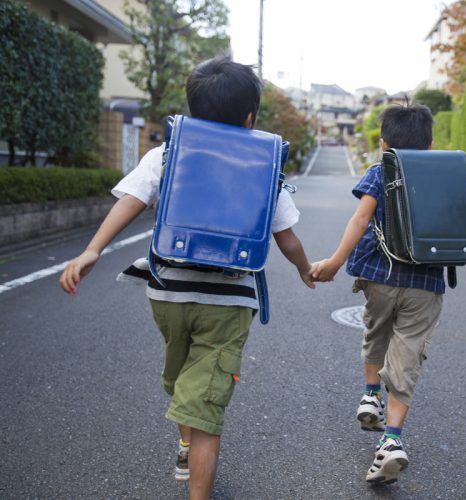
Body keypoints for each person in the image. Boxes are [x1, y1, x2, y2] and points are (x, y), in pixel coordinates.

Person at [59, 56, 315, 500]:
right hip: (228, 304)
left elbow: (131, 201)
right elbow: (286, 237)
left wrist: (91, 249)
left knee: (181, 380)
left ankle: (184, 443)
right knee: (205, 414)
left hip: (168, 296)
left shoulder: (168, 150)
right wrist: (305, 268)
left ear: (192, 108)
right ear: (250, 116)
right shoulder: (264, 162)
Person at [310, 104, 466, 485]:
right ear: (430, 145)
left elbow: (361, 218)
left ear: (384, 143)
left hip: (379, 276)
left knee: (375, 332)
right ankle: (392, 440)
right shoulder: (447, 176)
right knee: (408, 355)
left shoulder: (381, 170)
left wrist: (334, 261)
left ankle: (370, 395)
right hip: (426, 285)